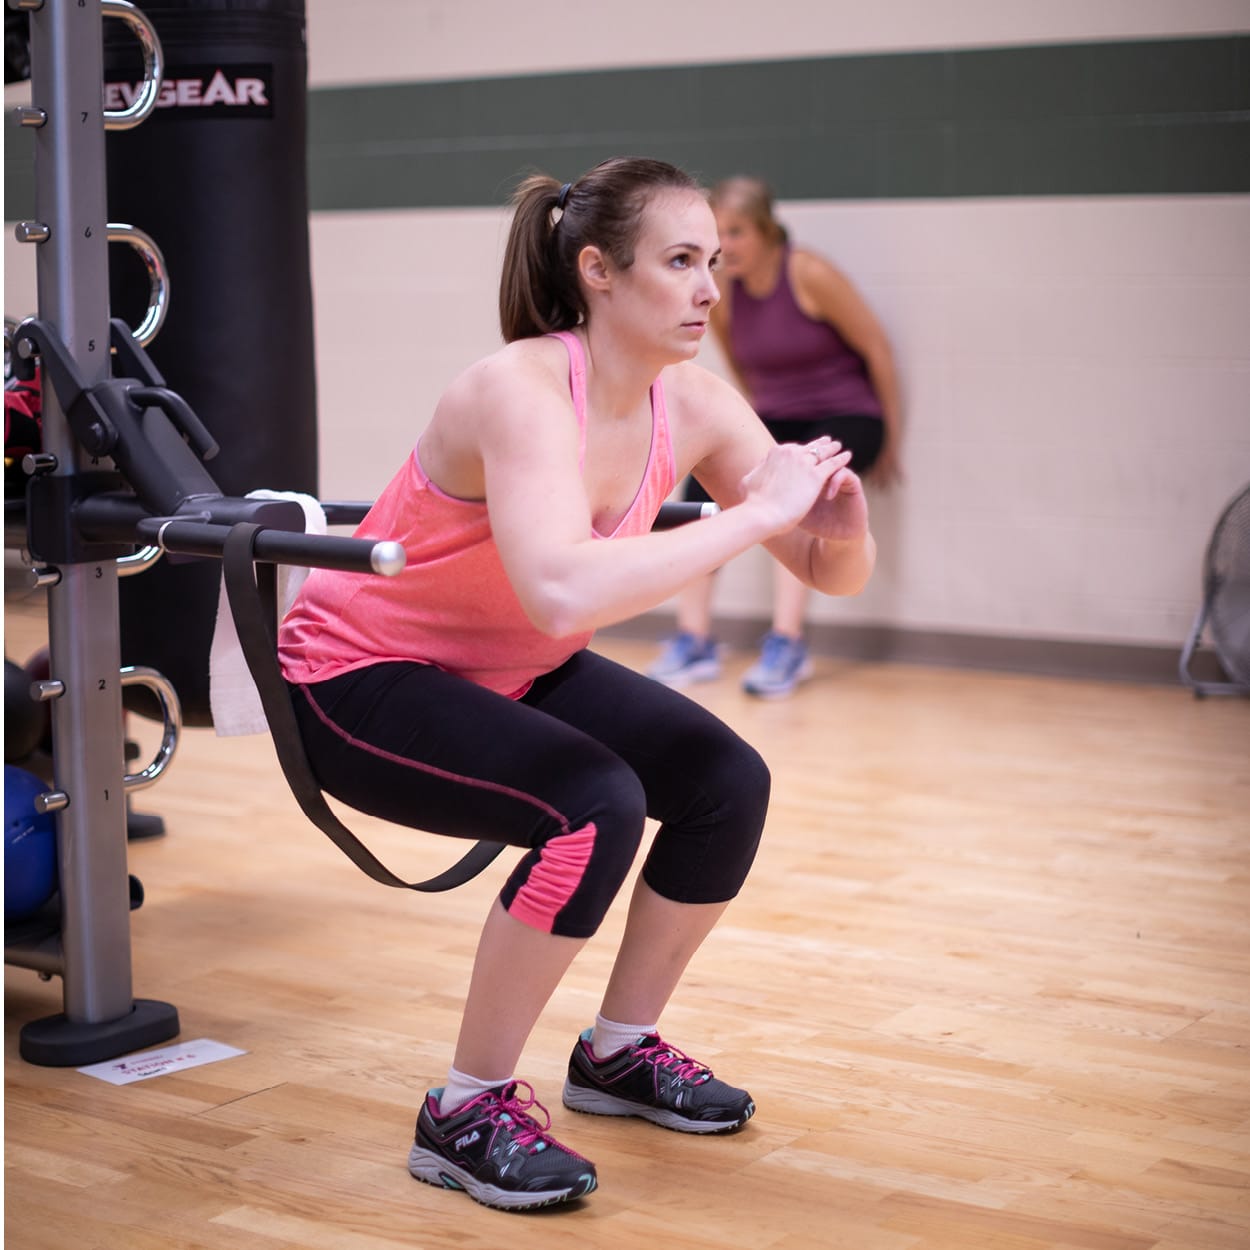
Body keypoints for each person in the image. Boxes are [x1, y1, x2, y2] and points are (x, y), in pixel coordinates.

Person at [277, 157, 875, 1212]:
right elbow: (559, 593)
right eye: (679, 261)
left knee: (724, 780)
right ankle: (463, 1109)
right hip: (358, 676)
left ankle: (616, 1051)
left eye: (713, 262)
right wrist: (754, 516)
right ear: (598, 270)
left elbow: (830, 573)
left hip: (510, 668)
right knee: (594, 805)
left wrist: (839, 529)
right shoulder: (516, 390)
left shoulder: (693, 402)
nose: (708, 288)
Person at [648, 175, 902, 698]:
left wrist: (892, 440)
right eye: (720, 234)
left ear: (766, 231)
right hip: (779, 418)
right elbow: (742, 372)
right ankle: (694, 638)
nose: (727, 245)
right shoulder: (722, 294)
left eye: (737, 232)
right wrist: (743, 433)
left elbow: (876, 348)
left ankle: (787, 643)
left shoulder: (807, 273)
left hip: (847, 415)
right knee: (700, 489)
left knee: (798, 495)